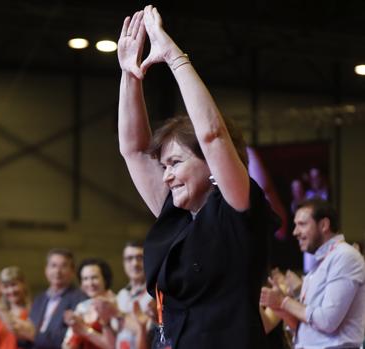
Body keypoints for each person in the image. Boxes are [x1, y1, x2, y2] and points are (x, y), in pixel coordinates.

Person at [117, 6, 279, 349]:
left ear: (212, 164)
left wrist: (174, 56)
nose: (168, 175)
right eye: (165, 166)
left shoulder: (237, 208)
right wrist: (130, 76)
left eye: (175, 162)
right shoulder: (174, 217)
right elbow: (133, 150)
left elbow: (213, 135)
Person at [260, 199, 365, 349]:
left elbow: (327, 321)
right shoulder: (318, 264)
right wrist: (280, 308)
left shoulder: (345, 256)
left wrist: (284, 301)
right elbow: (305, 329)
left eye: (302, 224)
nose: (295, 232)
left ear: (323, 225)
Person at [29, 249, 86, 349]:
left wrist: (32, 335)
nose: (57, 271)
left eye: (63, 266)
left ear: (72, 271)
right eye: (53, 266)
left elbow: (66, 339)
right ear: (46, 270)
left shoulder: (80, 299)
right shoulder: (39, 299)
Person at [62, 258, 117, 349]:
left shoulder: (115, 303)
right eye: (85, 279)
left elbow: (115, 345)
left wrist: (85, 330)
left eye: (94, 278)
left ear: (105, 279)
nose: (90, 283)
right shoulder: (82, 307)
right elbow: (67, 343)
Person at [0, 266, 34, 349]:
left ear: (23, 284)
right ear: (1, 289)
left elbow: (15, 327)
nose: (11, 291)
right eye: (6, 287)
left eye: (14, 285)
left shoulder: (34, 311)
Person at [115, 242, 154, 349]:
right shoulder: (121, 295)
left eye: (140, 258)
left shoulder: (155, 294)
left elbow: (149, 331)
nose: (135, 263)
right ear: (123, 263)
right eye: (129, 258)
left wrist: (117, 314)